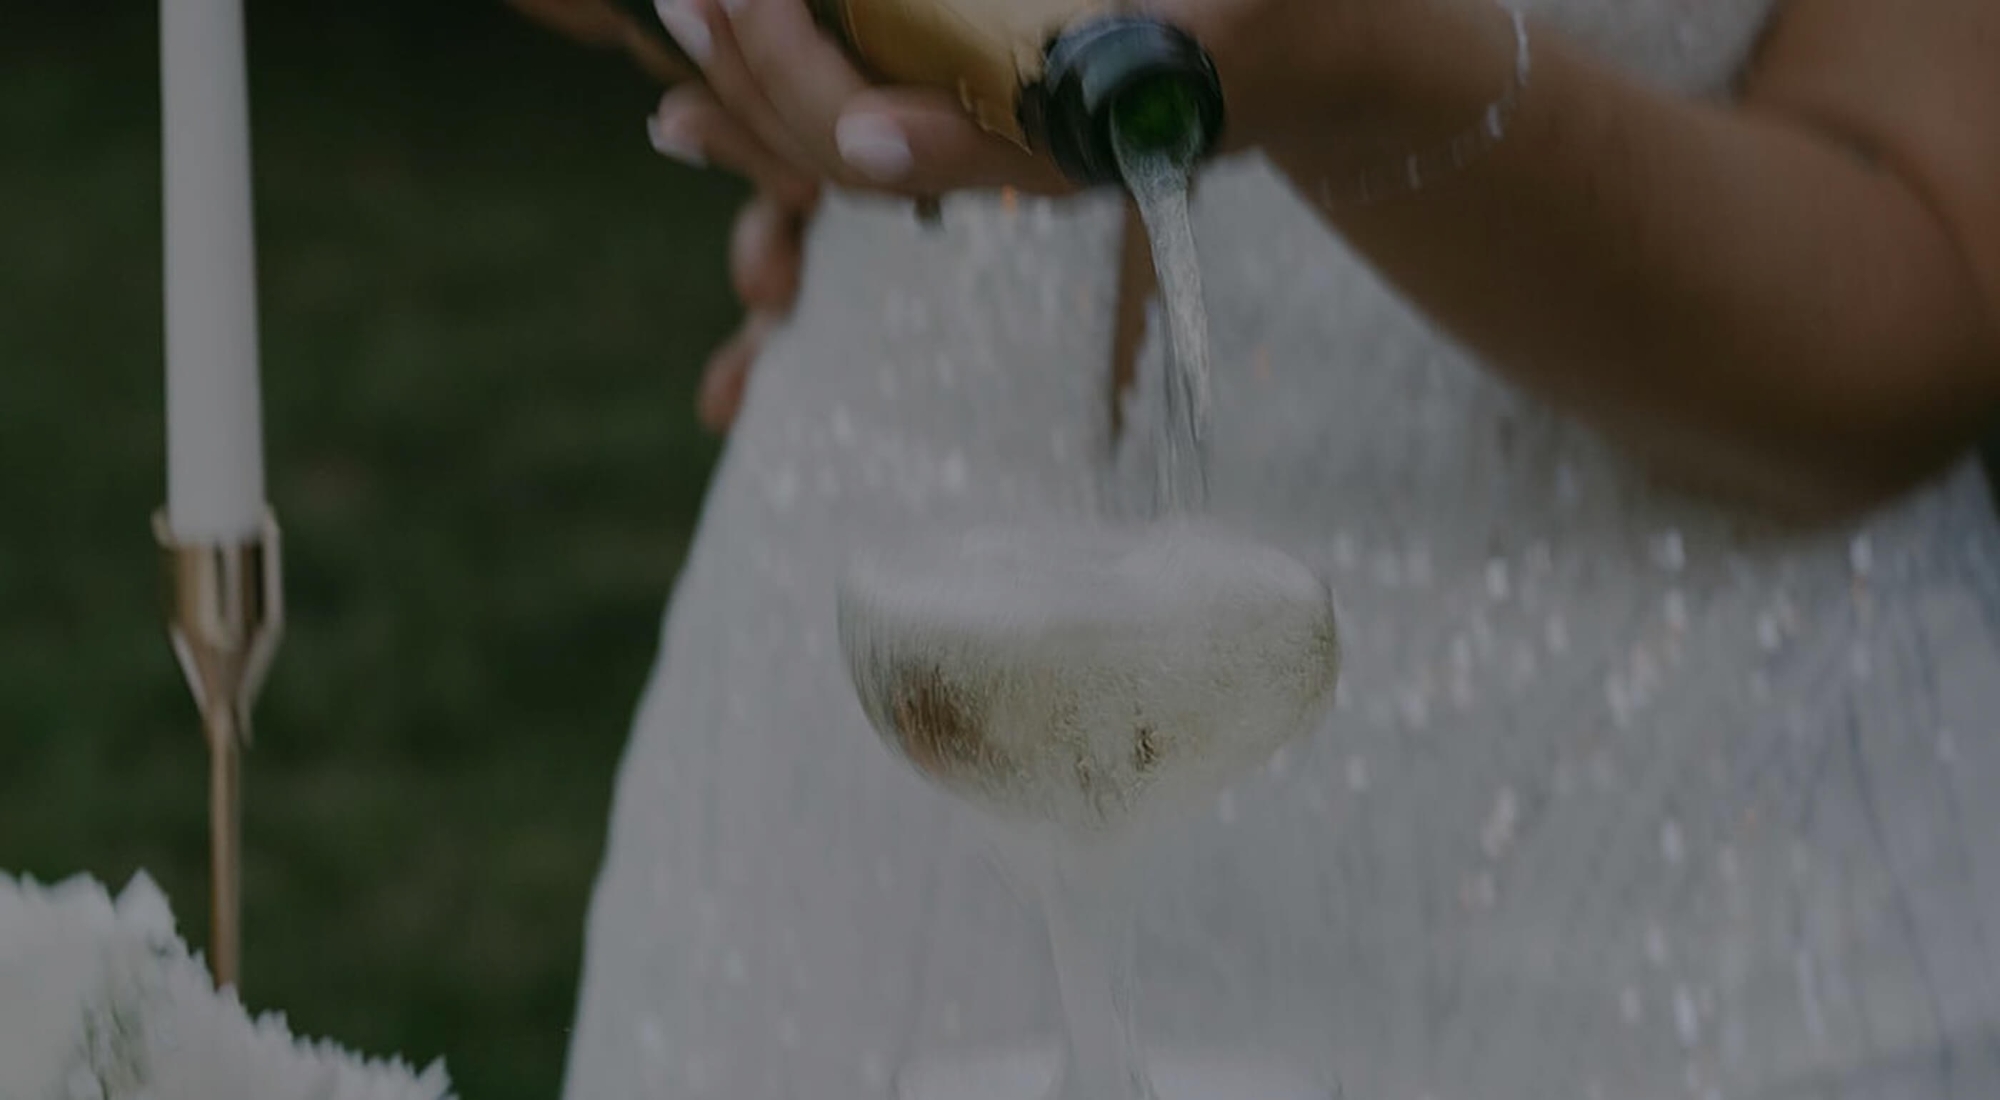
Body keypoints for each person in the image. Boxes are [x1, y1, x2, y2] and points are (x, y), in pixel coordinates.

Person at [565, 0, 2000, 1096]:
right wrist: (765, 39)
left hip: (1659, 871)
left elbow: (1928, 265)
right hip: (844, 773)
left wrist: (1369, 67)